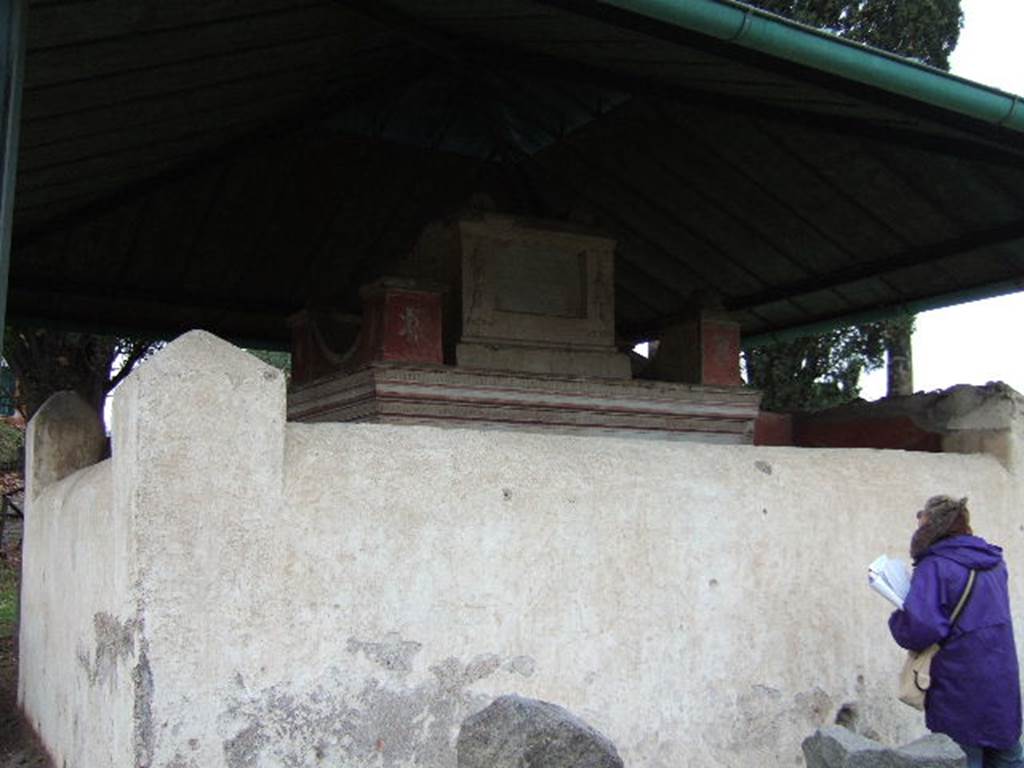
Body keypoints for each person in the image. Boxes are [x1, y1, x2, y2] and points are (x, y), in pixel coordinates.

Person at [889, 495, 1023, 768]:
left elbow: (920, 629)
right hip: (1002, 685)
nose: (918, 523)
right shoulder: (994, 562)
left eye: (921, 517)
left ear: (934, 525)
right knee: (1008, 757)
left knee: (963, 759)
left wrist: (898, 618)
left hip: (959, 690)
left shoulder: (935, 565)